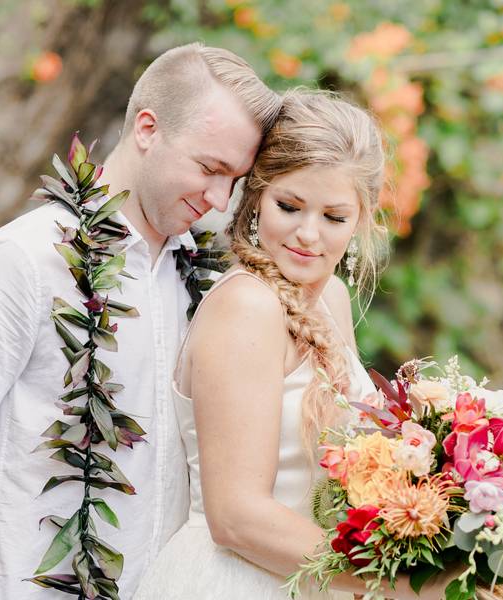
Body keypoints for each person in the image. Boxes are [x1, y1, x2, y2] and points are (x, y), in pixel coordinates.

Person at [0, 43, 280, 598]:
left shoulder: (209, 287)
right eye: (209, 168)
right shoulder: (23, 260)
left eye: (233, 180)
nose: (218, 200)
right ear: (147, 128)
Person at [133, 90, 450, 599]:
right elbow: (236, 516)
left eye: (334, 217)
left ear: (362, 220)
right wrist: (402, 582)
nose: (308, 234)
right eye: (290, 206)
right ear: (256, 197)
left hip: (313, 579)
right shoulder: (247, 307)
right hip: (239, 580)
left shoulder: (335, 302)